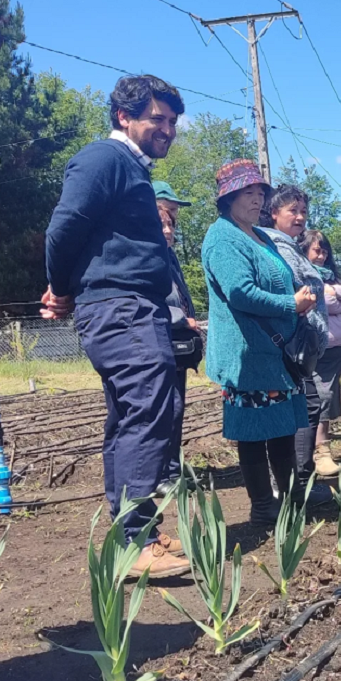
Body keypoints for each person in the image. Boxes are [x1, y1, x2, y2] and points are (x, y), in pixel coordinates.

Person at [43, 75, 190, 578]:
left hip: (130, 306)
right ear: (124, 117)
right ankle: (134, 542)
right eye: (158, 119)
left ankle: (138, 533)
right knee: (150, 408)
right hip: (121, 307)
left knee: (132, 416)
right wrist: (60, 288)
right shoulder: (104, 159)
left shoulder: (132, 168)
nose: (168, 129)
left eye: (172, 121)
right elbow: (64, 227)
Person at [201, 159, 316, 527]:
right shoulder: (222, 236)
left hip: (273, 352)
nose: (257, 199)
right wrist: (289, 304)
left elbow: (275, 279)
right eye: (249, 193)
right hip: (247, 354)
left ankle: (291, 500)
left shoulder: (261, 236)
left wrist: (298, 302)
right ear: (229, 197)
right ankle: (264, 508)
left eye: (260, 193)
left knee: (281, 429)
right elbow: (239, 292)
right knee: (253, 435)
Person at [258, 185, 332, 505]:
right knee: (303, 408)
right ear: (274, 213)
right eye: (293, 210)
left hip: (299, 341)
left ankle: (297, 481)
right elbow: (295, 289)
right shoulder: (276, 246)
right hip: (291, 343)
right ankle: (296, 483)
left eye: (303, 211)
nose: (300, 216)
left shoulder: (289, 245)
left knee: (303, 408)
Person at [152, 180, 202, 496]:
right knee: (165, 407)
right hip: (160, 338)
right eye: (166, 216)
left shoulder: (169, 255)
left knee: (176, 406)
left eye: (173, 218)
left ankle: (169, 470)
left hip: (176, 339)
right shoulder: (148, 258)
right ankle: (158, 473)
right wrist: (182, 318)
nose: (171, 225)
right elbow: (154, 302)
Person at [302, 229, 341, 466]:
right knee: (320, 396)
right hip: (315, 347)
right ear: (304, 250)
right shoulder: (302, 275)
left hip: (338, 349)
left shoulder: (331, 278)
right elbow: (318, 302)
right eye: (317, 250)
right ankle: (319, 450)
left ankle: (318, 448)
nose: (322, 256)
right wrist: (334, 299)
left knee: (329, 395)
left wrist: (332, 292)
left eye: (325, 251)